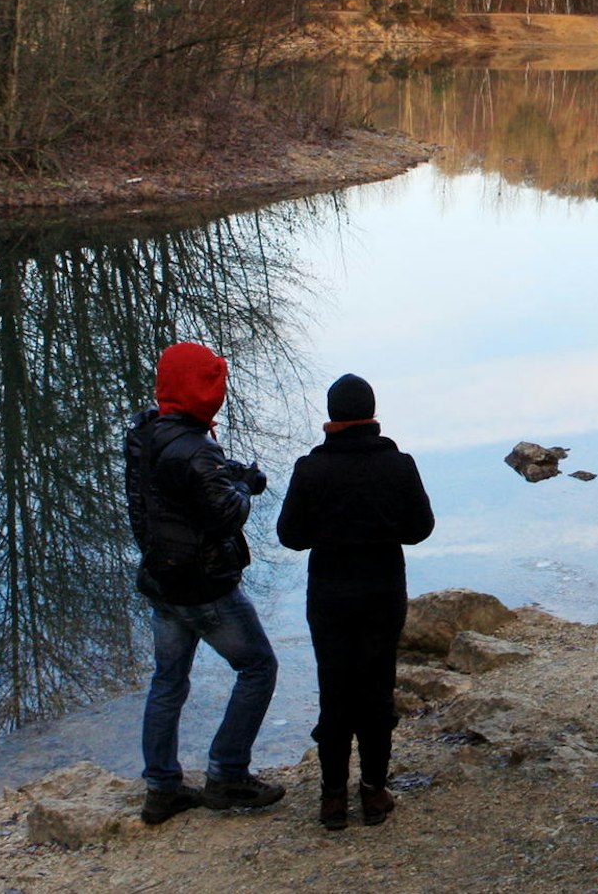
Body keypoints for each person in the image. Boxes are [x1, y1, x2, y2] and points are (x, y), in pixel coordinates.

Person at [124, 341, 286, 825]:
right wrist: (241, 484)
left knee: (168, 682)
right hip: (203, 585)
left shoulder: (146, 432)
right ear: (201, 390)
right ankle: (227, 774)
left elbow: (177, 488)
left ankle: (161, 787)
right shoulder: (195, 449)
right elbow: (227, 513)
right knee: (258, 667)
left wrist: (226, 471)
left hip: (161, 580)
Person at [277, 374, 434, 830]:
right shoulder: (398, 465)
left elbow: (290, 536)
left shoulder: (311, 469)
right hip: (383, 590)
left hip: (329, 594)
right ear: (372, 413)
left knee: (335, 691)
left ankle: (331, 799)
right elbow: (420, 528)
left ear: (332, 416)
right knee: (377, 689)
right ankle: (373, 791)